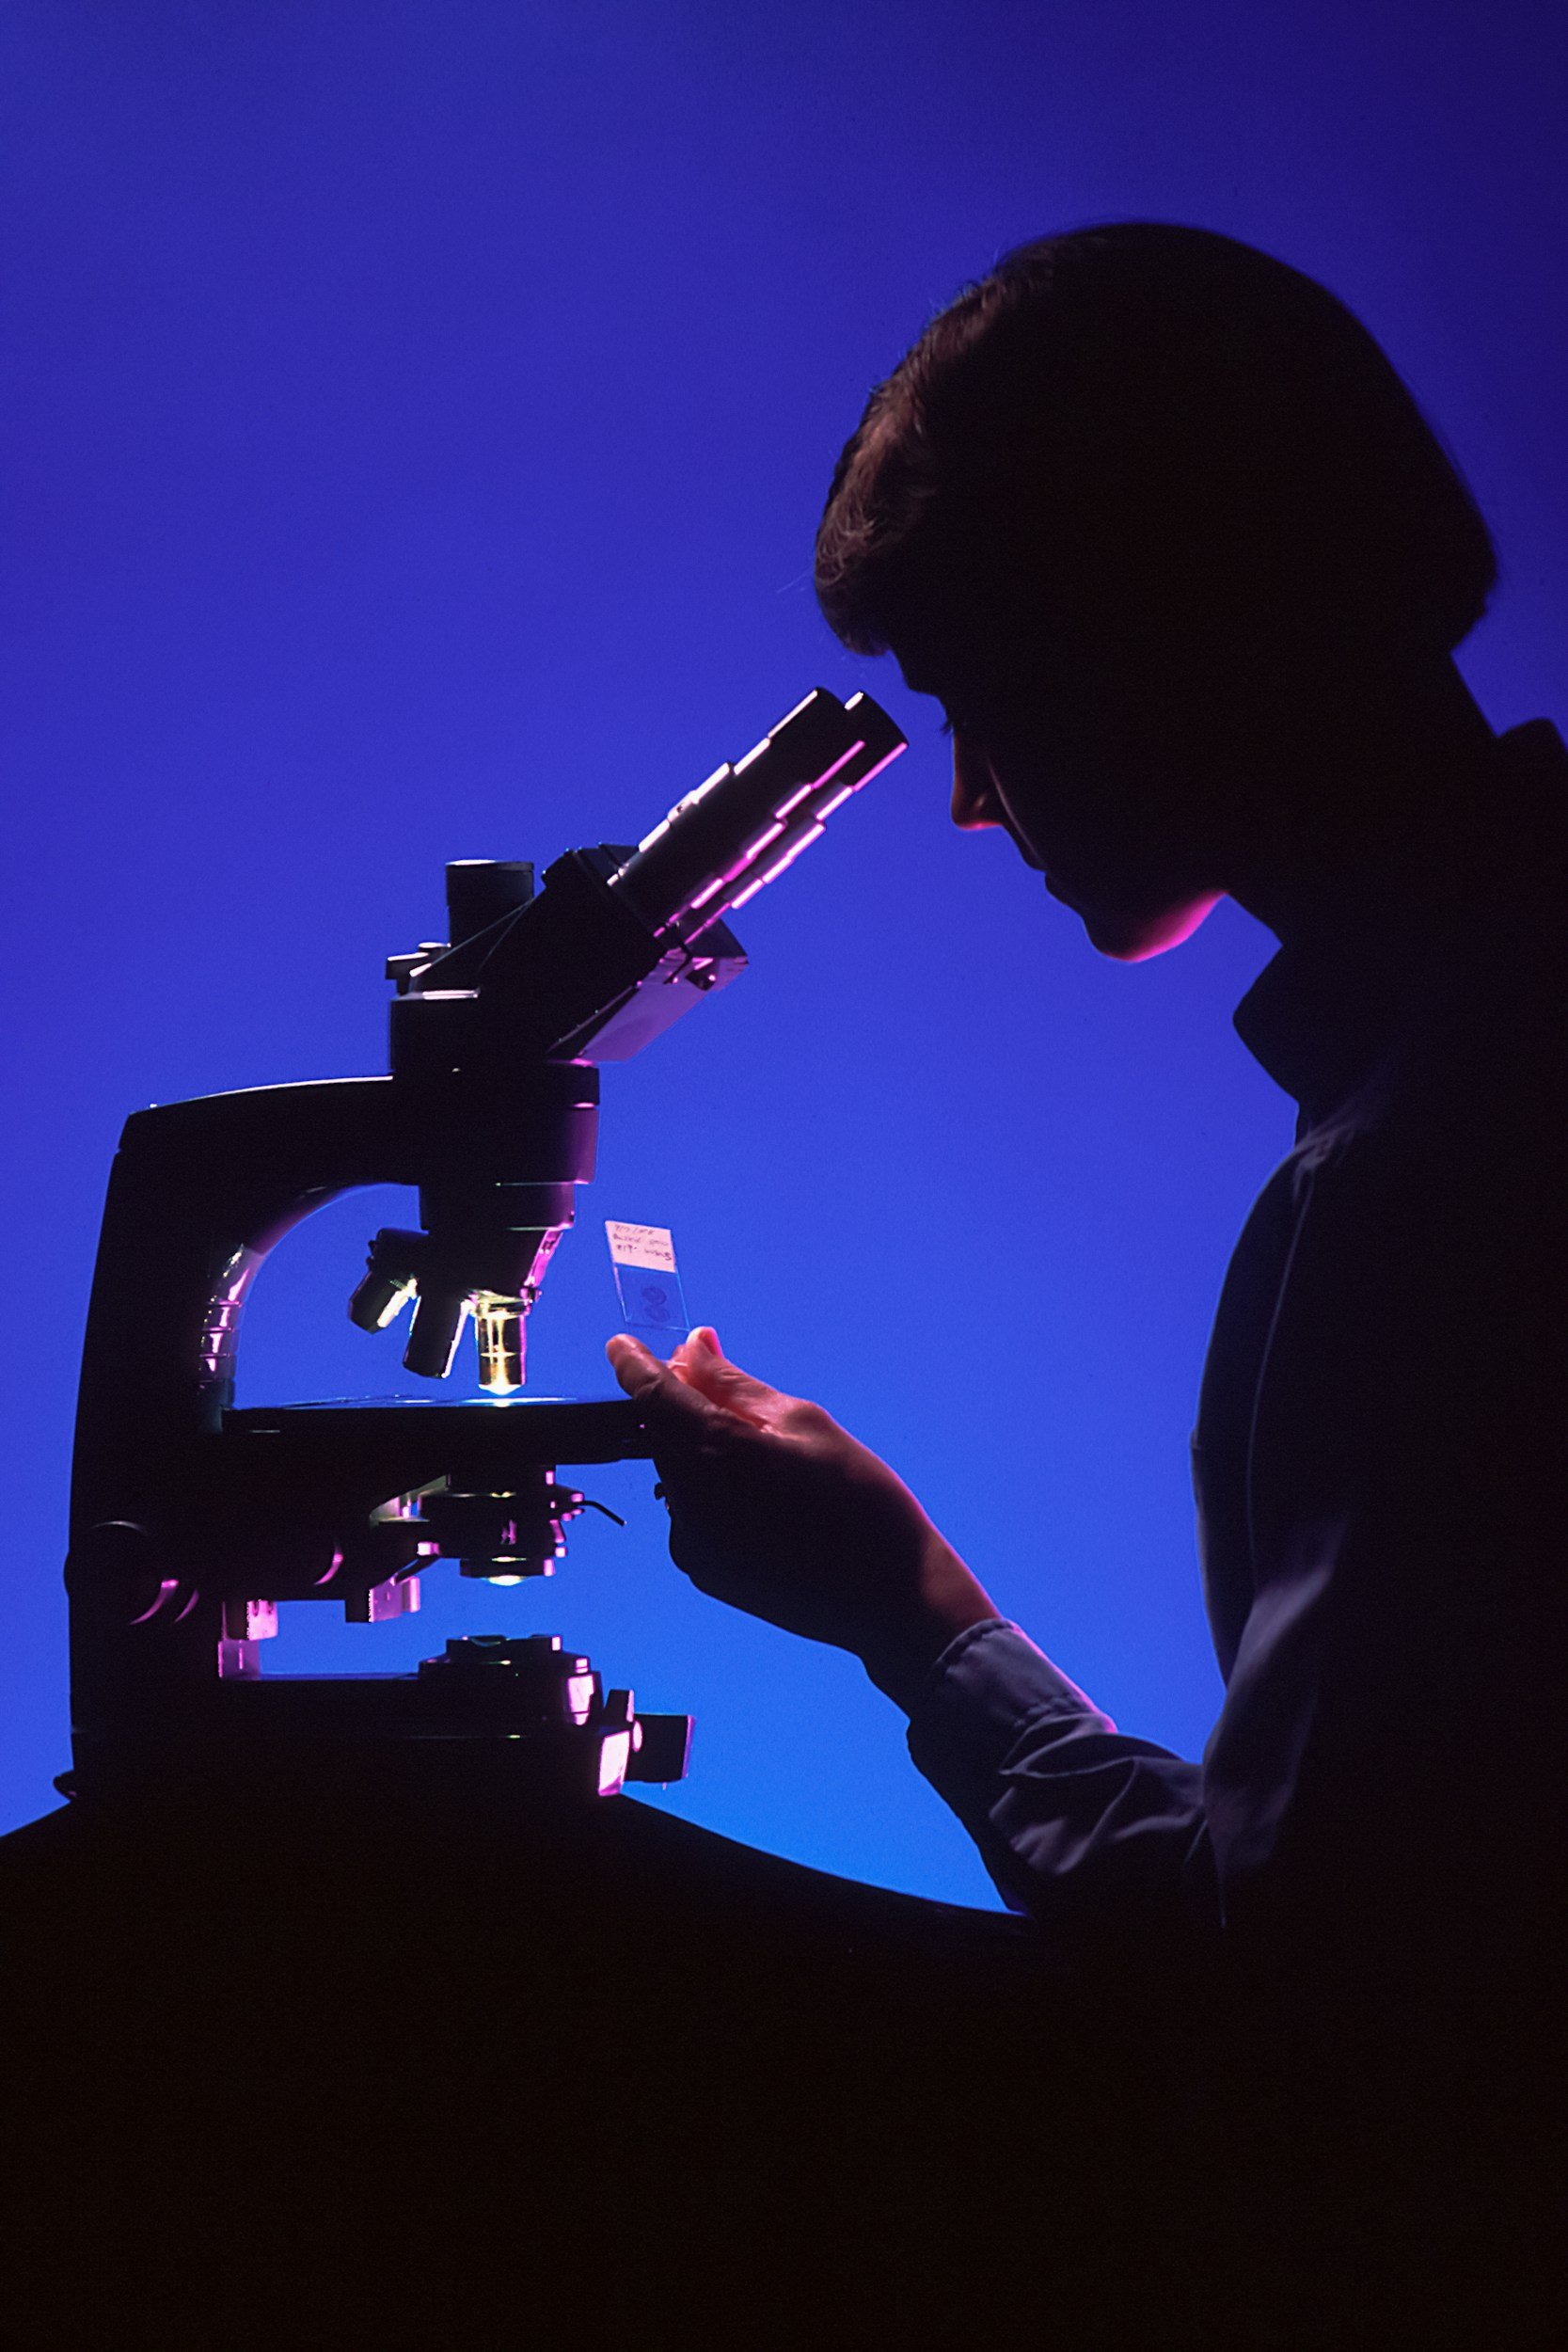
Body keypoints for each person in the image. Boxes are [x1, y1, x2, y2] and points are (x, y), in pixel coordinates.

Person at [608, 224, 1568, 2340]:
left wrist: (909, 1613)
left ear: (1159, 616)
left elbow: (1304, 1991)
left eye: (979, 695)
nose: (967, 799)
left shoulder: (1439, 1170)